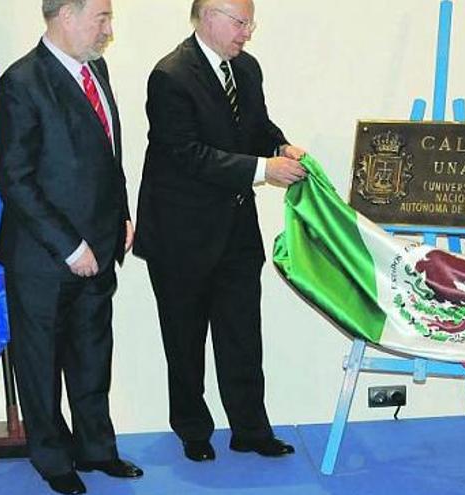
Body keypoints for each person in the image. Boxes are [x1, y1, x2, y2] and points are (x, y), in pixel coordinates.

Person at [133, 0, 307, 463]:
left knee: (243, 336)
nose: (247, 32)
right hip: (179, 235)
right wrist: (263, 169)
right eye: (240, 22)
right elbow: (187, 153)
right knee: (184, 341)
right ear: (207, 16)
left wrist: (280, 145)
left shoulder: (246, 69)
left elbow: (255, 127)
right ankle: (193, 432)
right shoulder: (170, 76)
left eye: (250, 23)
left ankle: (250, 429)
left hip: (234, 231)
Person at [0, 0, 142, 493]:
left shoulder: (96, 70)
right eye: (101, 17)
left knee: (92, 353)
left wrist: (121, 215)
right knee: (42, 362)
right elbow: (16, 181)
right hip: (43, 257)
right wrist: (69, 245)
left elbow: (108, 153)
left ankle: (97, 449)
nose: (108, 28)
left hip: (100, 249)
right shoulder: (21, 83)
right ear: (66, 16)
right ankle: (53, 460)